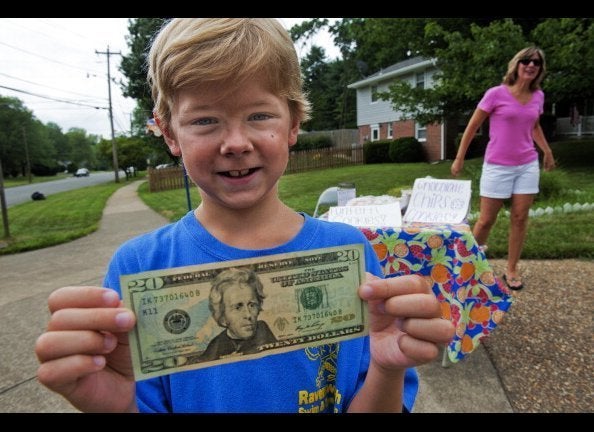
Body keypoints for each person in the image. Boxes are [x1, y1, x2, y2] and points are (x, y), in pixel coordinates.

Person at [35, 18, 453, 413]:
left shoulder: (350, 252)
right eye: (204, 120)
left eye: (259, 115)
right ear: (169, 134)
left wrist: (387, 367)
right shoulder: (138, 267)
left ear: (293, 124)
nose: (235, 142)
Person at [451, 46, 556, 291]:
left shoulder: (538, 96)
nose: (531, 65)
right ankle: (466, 265)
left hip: (527, 164)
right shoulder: (496, 94)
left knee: (520, 218)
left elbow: (534, 126)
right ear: (517, 64)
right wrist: (459, 158)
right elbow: (472, 126)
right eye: (527, 61)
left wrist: (547, 152)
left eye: (537, 63)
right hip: (497, 166)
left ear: (540, 69)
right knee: (486, 220)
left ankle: (511, 269)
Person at [200, 267, 277, 361]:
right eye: (238, 307)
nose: (248, 315)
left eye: (252, 305)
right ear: (223, 317)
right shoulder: (215, 347)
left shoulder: (263, 333)